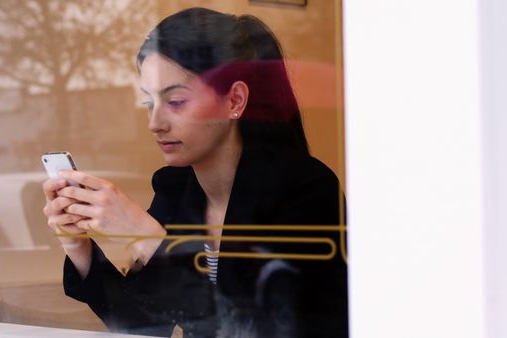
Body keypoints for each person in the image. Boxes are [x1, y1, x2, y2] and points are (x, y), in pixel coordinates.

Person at [42, 7, 347, 338]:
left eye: (175, 102)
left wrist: (141, 233)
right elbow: (141, 322)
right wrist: (79, 247)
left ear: (235, 100)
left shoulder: (305, 191)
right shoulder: (177, 189)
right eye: (149, 103)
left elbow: (250, 329)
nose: (154, 123)